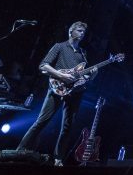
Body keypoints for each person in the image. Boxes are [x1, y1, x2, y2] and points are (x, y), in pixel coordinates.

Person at [17, 21, 95, 166]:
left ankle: (58, 159)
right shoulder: (59, 46)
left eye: (83, 32)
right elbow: (43, 66)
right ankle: (20, 150)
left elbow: (84, 78)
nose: (82, 33)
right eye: (79, 30)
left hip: (75, 92)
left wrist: (92, 75)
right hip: (57, 88)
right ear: (71, 32)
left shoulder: (83, 54)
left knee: (67, 126)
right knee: (42, 121)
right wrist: (61, 75)